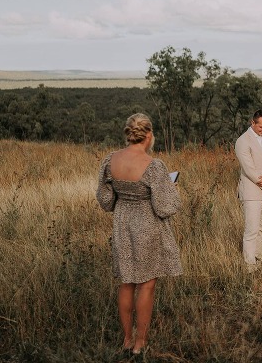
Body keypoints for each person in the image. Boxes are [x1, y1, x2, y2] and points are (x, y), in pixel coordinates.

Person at [96, 113, 182, 355]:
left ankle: (126, 339)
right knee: (146, 285)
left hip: (122, 223)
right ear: (149, 135)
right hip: (147, 225)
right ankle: (140, 344)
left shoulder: (109, 160)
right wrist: (172, 188)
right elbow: (165, 207)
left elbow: (105, 200)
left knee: (126, 282)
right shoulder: (154, 166)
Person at [235, 109, 262, 271]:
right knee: (251, 230)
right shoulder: (242, 141)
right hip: (251, 192)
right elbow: (250, 170)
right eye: (261, 127)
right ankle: (249, 266)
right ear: (252, 122)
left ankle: (259, 259)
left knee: (261, 229)